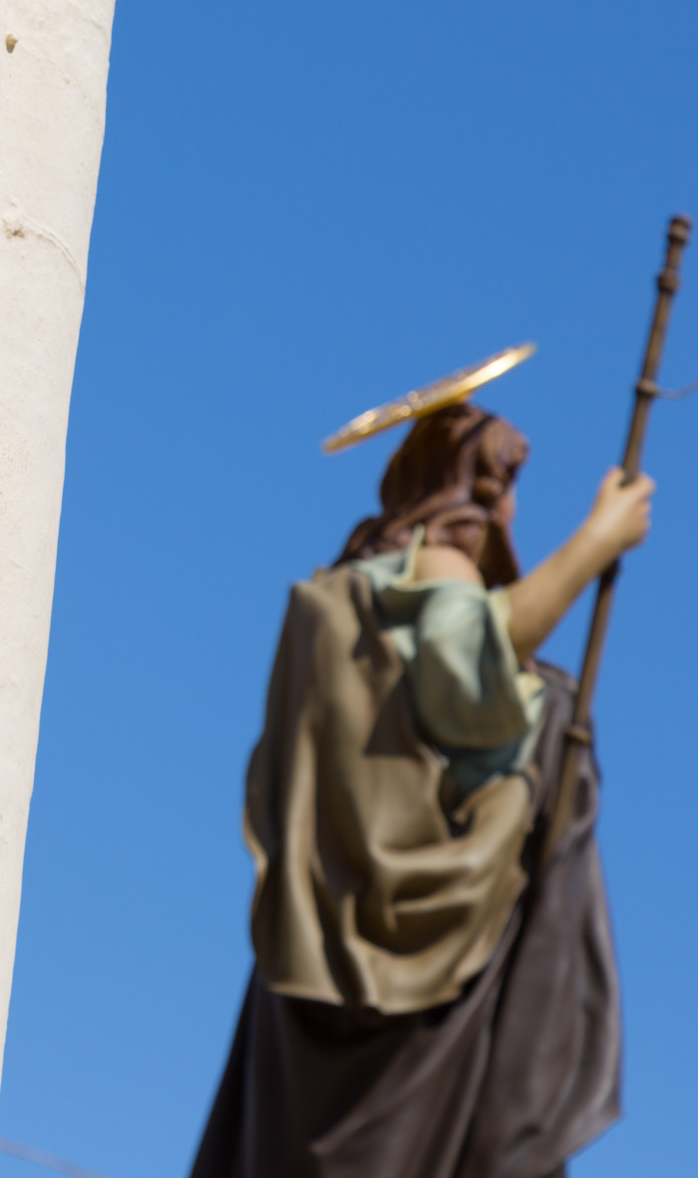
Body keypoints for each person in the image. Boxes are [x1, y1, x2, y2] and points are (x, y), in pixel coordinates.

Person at [191, 402, 653, 1178]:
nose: (506, 508)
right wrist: (595, 541)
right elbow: (471, 672)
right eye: (498, 483)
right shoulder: (435, 566)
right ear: (461, 481)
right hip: (426, 957)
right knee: (557, 720)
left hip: (313, 945)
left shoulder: (343, 586)